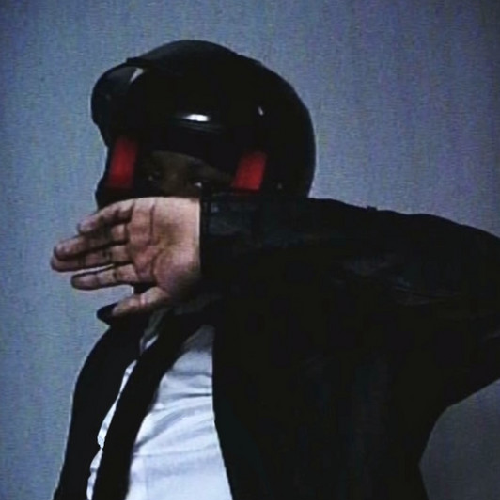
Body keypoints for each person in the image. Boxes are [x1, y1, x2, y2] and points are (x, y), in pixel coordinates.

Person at [51, 40, 500, 500]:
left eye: (201, 182)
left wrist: (221, 232)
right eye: (149, 175)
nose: (161, 202)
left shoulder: (341, 335)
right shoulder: (117, 355)